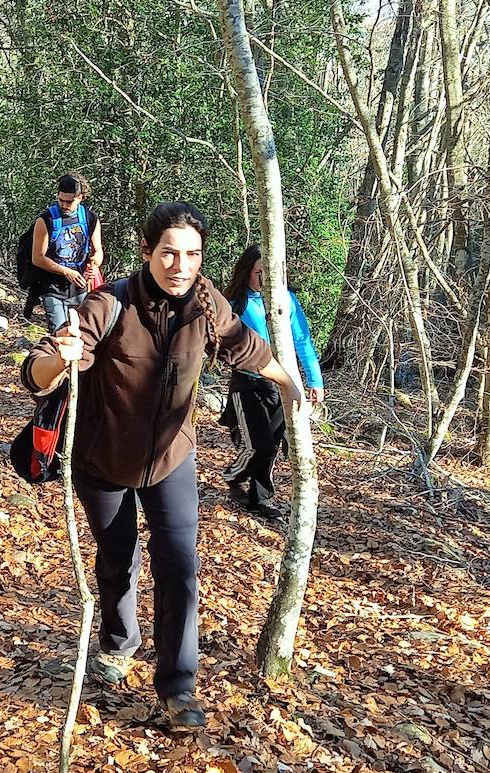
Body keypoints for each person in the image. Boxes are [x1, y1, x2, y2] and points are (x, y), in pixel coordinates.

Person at [21, 203, 303, 729]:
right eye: (169, 252)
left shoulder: (206, 302)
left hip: (172, 456)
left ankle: (177, 687)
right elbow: (37, 374)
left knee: (179, 565)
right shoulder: (111, 303)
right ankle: (118, 643)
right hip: (102, 458)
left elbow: (247, 348)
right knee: (118, 554)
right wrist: (60, 357)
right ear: (146, 252)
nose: (180, 264)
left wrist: (288, 381)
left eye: (192, 254)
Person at [220, 244, 326, 518]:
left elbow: (302, 340)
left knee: (273, 445)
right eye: (258, 272)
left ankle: (261, 498)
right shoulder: (235, 304)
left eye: (270, 273)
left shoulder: (286, 300)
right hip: (247, 384)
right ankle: (233, 476)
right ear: (247, 272)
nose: (264, 279)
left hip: (281, 384)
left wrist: (314, 380)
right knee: (259, 446)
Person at [31, 174, 103, 332]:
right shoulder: (46, 220)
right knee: (59, 333)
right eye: (60, 200)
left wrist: (95, 265)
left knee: (82, 333)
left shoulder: (90, 219)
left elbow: (98, 251)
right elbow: (37, 258)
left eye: (69, 201)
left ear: (80, 197)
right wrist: (65, 271)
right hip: (52, 288)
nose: (64, 205)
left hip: (80, 287)